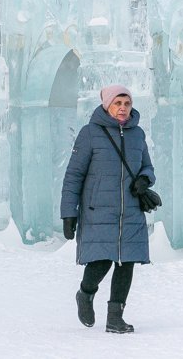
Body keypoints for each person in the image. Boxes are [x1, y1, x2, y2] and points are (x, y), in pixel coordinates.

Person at [60, 84, 156, 333]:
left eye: (127, 104)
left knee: (127, 263)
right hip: (98, 210)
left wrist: (145, 179)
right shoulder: (90, 133)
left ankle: (115, 317)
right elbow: (74, 175)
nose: (123, 108)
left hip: (131, 211)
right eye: (118, 103)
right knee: (101, 261)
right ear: (107, 105)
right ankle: (85, 294)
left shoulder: (137, 134)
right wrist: (68, 213)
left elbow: (147, 167)